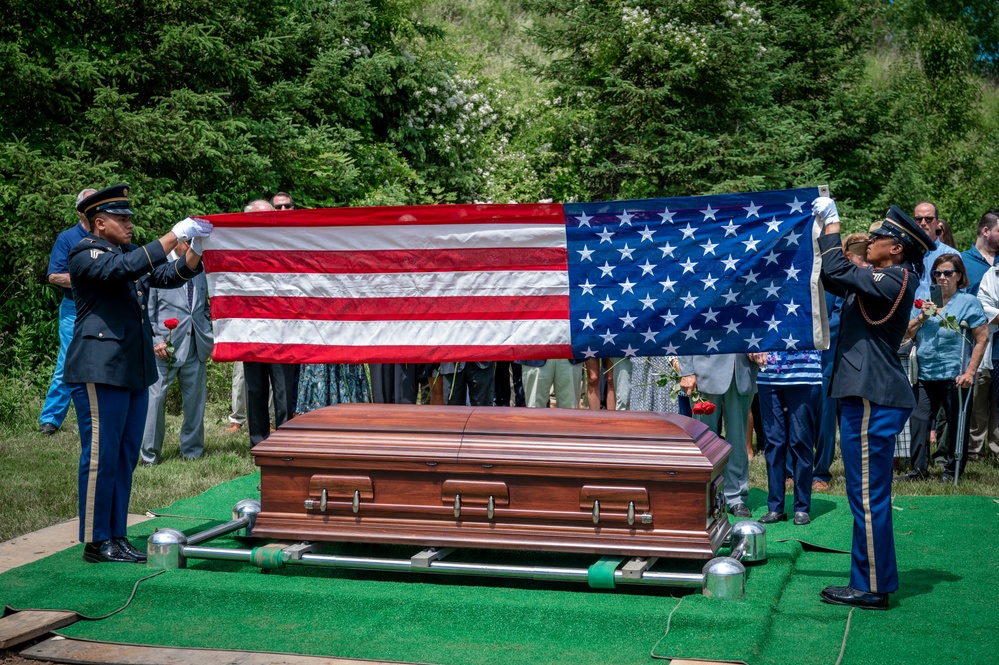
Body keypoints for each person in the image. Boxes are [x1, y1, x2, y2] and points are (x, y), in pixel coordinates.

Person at [65, 184, 212, 563]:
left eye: (130, 218)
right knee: (102, 456)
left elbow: (168, 276)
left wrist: (194, 249)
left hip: (132, 368)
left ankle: (116, 535)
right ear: (99, 223)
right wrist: (172, 236)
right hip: (100, 367)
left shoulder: (129, 254)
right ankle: (96, 542)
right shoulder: (87, 252)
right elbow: (125, 269)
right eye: (122, 219)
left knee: (126, 454)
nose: (130, 224)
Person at [812, 197, 933, 610]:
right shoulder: (883, 276)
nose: (873, 240)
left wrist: (834, 223)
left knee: (867, 497)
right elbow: (832, 277)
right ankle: (868, 579)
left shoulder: (897, 278)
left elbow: (836, 267)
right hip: (869, 396)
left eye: (880, 236)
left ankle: (872, 587)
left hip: (873, 398)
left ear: (897, 248)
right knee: (866, 495)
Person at [899, 255, 987, 482]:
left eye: (948, 273)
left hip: (954, 374)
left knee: (956, 421)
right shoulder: (924, 300)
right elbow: (907, 334)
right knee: (918, 420)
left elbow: (982, 339)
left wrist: (970, 372)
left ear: (959, 276)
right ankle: (918, 470)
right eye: (937, 273)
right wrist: (921, 317)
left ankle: (952, 468)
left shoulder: (969, 302)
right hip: (924, 373)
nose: (942, 278)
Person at [140, 239, 214, 465]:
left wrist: (207, 333)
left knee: (195, 402)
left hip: (195, 345)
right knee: (155, 400)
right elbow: (147, 311)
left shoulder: (200, 268)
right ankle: (149, 455)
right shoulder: (158, 269)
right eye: (192, 244)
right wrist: (155, 340)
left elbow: (205, 308)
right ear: (179, 244)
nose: (196, 249)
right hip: (164, 348)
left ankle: (192, 451)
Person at [39, 188, 98, 435]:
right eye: (90, 203)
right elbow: (54, 275)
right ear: (79, 210)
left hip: (104, 308)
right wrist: (89, 278)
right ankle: (51, 418)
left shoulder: (107, 235)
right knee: (68, 361)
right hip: (74, 308)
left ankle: (99, 415)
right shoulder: (67, 238)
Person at [241, 199, 298, 446]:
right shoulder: (237, 247)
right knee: (255, 390)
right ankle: (259, 442)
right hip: (251, 330)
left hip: (281, 331)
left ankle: (285, 444)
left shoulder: (285, 243)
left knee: (284, 391)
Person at [677, 353, 760, 518]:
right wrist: (687, 371)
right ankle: (703, 493)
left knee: (738, 438)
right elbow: (685, 326)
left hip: (742, 368)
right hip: (704, 370)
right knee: (703, 440)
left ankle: (736, 497)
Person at [757, 350, 823, 525]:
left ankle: (802, 507)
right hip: (768, 374)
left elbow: (822, 328)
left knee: (801, 441)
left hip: (804, 373)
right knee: (773, 442)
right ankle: (775, 507)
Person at [962, 210, 999, 461]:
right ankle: (974, 450)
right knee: (977, 398)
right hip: (973, 341)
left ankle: (996, 449)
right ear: (986, 231)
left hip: (998, 342)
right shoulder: (963, 260)